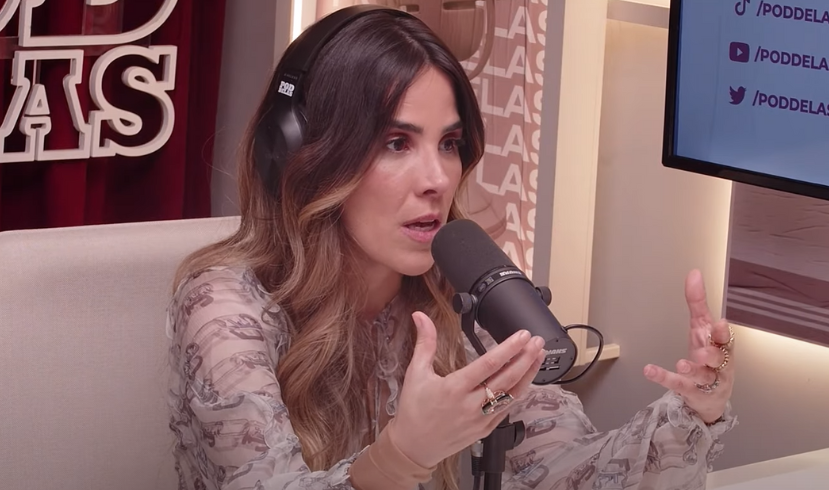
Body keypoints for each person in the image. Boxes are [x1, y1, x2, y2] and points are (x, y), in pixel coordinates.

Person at [166, 7, 737, 490]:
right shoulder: (225, 309)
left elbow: (563, 469)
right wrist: (399, 457)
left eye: (449, 143)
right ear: (300, 153)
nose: (438, 179)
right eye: (396, 142)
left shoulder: (461, 288)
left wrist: (693, 413)